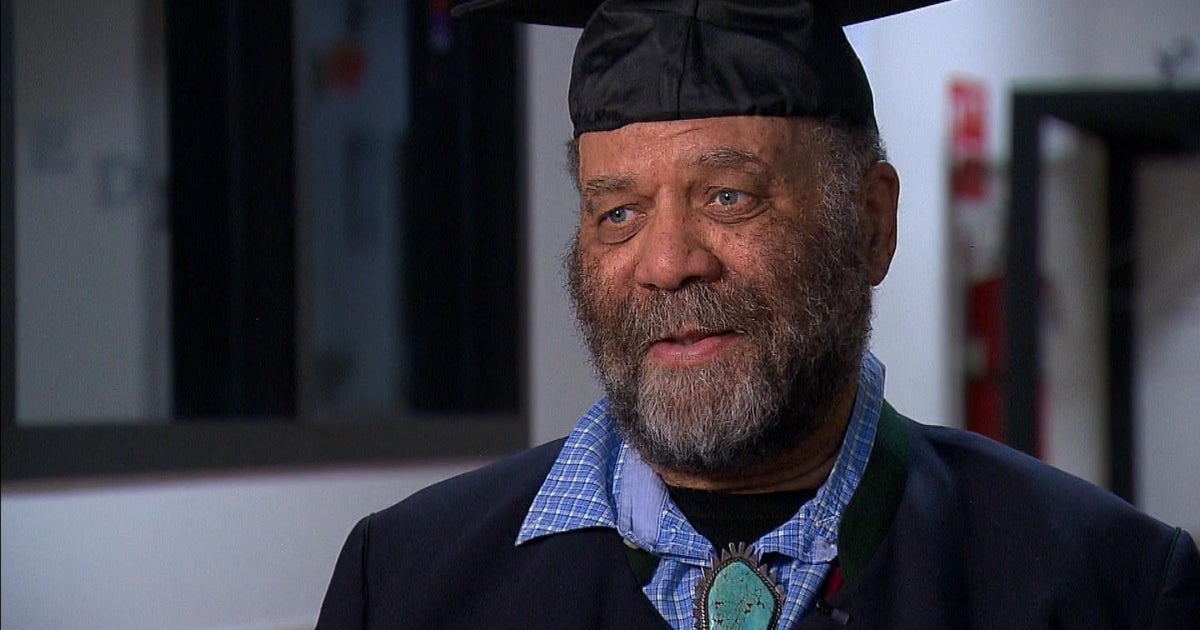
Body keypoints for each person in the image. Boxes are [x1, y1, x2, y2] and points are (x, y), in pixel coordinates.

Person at [316, 1, 1200, 628]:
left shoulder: (1099, 586)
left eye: (729, 195)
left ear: (871, 224)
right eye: (617, 211)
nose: (667, 263)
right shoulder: (405, 586)